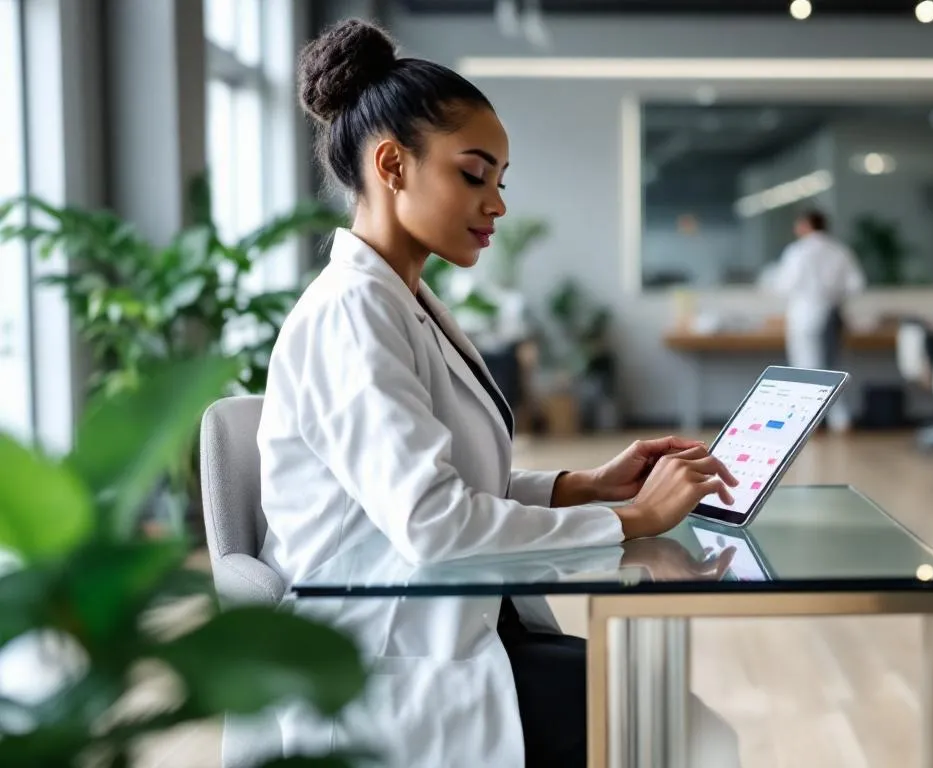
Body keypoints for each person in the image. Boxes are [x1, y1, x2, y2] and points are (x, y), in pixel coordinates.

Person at [254, 19, 740, 767]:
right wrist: (634, 516)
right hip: (389, 665)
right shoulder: (351, 315)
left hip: (458, 629)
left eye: (500, 182)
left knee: (678, 718)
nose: (497, 204)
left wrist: (583, 486)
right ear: (391, 164)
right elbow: (432, 524)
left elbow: (438, 484)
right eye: (474, 175)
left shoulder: (398, 303)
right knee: (689, 734)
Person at [762, 209, 867, 431]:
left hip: (805, 316)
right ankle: (841, 420)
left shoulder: (798, 251)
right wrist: (833, 294)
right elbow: (856, 285)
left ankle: (808, 422)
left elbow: (785, 285)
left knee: (806, 369)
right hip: (832, 314)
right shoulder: (840, 251)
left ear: (806, 225)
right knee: (834, 367)